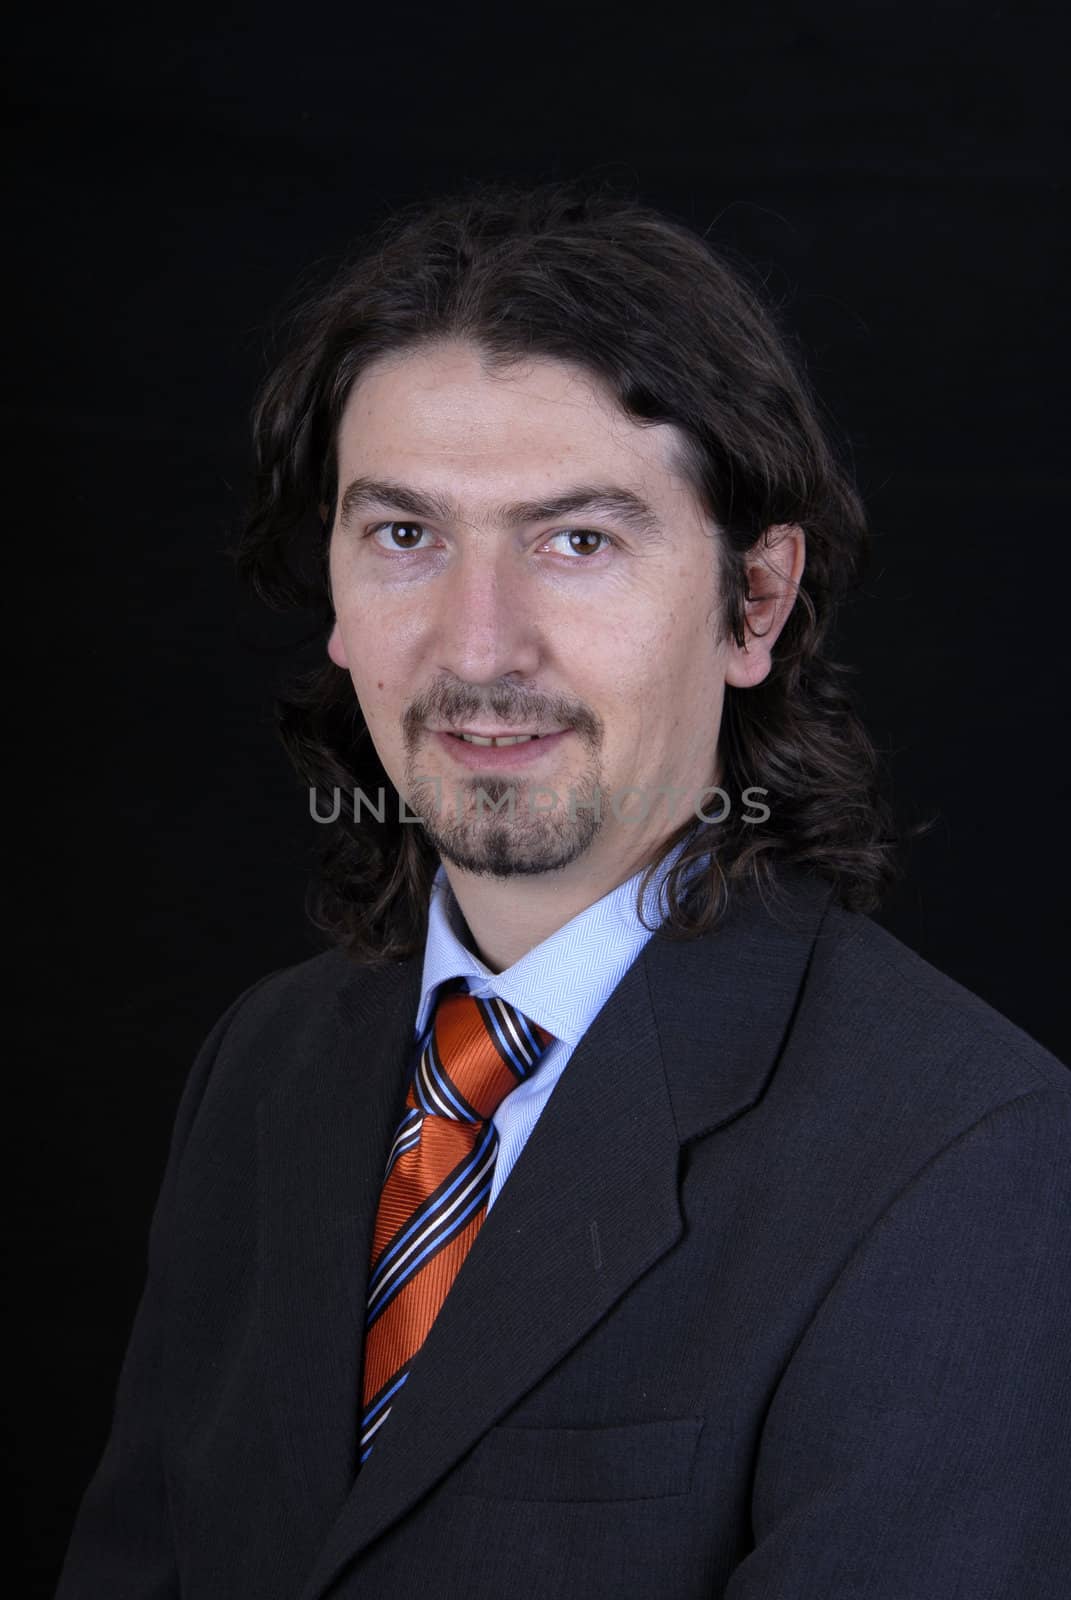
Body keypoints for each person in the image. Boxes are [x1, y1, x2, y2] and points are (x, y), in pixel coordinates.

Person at [56, 180, 1070, 1600]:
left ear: (754, 602)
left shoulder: (966, 1157)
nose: (482, 648)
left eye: (576, 540)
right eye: (406, 535)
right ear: (339, 594)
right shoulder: (264, 1068)